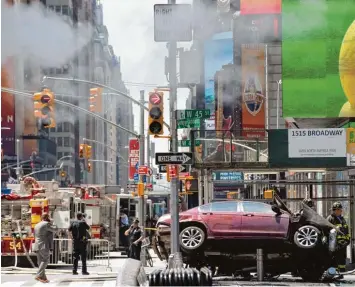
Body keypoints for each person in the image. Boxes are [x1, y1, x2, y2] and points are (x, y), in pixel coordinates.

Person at [327, 202, 351, 278]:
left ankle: (341, 274)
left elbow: (346, 231)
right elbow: (327, 230)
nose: (340, 211)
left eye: (340, 210)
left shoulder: (342, 219)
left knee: (342, 260)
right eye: (339, 210)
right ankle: (335, 274)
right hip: (335, 244)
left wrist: (347, 240)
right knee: (334, 259)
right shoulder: (330, 218)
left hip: (343, 244)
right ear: (335, 210)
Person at [33, 213, 56, 283]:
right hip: (43, 245)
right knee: (46, 260)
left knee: (40, 262)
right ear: (47, 217)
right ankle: (38, 275)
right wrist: (53, 223)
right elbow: (55, 229)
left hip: (37, 245)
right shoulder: (46, 224)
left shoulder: (36, 225)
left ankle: (43, 278)